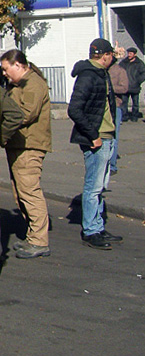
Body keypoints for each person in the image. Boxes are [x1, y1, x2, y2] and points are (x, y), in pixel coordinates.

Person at [68, 38, 122, 250]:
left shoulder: (100, 72)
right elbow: (74, 109)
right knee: (93, 187)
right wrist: (93, 136)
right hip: (97, 139)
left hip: (107, 137)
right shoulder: (88, 76)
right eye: (111, 56)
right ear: (104, 56)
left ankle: (98, 226)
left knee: (101, 187)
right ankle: (91, 230)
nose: (112, 59)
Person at [0, 50, 52, 259]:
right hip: (20, 145)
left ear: (19, 65)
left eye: (6, 69)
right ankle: (33, 236)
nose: (4, 74)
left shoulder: (33, 84)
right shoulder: (20, 85)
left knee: (30, 192)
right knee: (21, 193)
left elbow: (25, 115)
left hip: (29, 146)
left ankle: (39, 241)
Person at [107, 47, 129, 178]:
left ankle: (113, 164)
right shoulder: (103, 70)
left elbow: (124, 88)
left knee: (114, 136)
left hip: (115, 106)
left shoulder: (120, 71)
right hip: (104, 106)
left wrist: (109, 88)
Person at [119, 47, 145, 121]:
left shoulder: (139, 63)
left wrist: (138, 81)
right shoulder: (124, 62)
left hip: (135, 86)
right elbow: (119, 71)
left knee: (135, 103)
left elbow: (143, 73)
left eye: (131, 53)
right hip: (125, 86)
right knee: (124, 103)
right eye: (128, 53)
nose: (129, 55)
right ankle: (124, 116)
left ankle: (134, 116)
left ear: (135, 54)